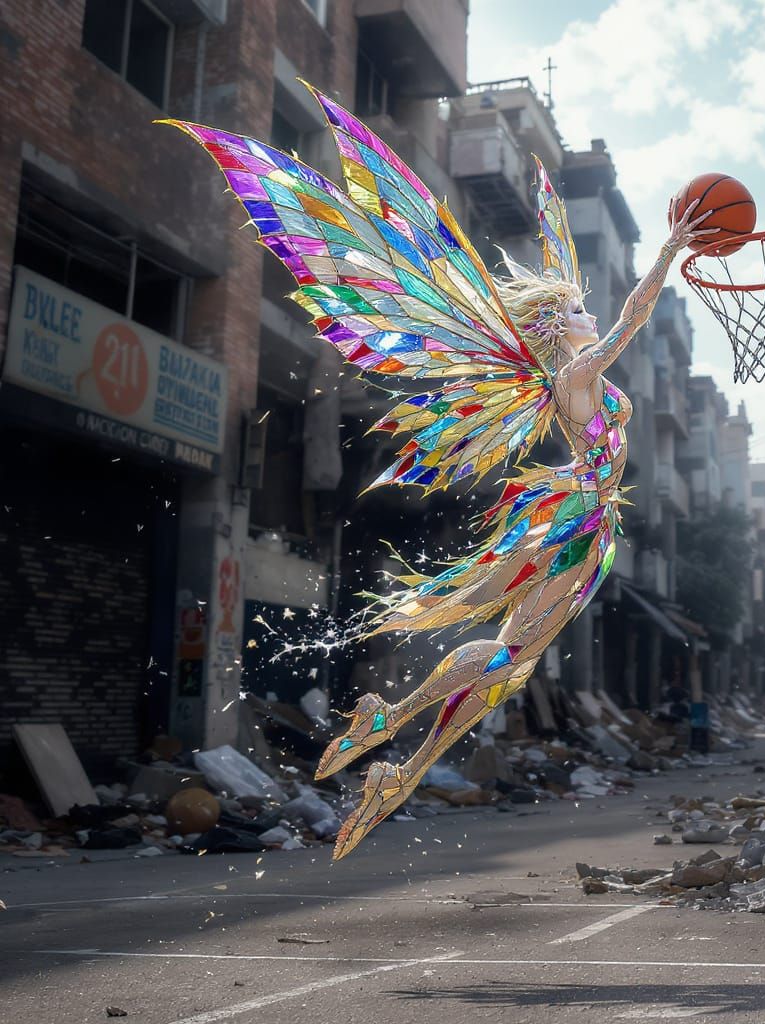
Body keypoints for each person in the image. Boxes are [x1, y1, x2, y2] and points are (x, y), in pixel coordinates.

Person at [166, 85, 714, 859]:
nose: (589, 313)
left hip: (585, 522)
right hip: (578, 519)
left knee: (510, 664)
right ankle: (392, 731)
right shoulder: (577, 371)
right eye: (577, 310)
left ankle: (396, 753)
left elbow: (619, 325)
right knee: (508, 656)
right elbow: (632, 317)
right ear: (560, 326)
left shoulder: (574, 373)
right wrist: (668, 252)